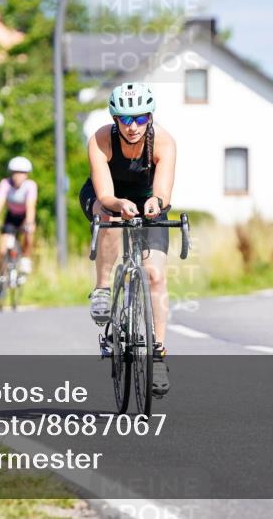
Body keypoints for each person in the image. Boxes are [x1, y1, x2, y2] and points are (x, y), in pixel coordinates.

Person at [79, 82, 176, 397]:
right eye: (125, 119)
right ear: (115, 119)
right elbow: (105, 194)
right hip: (106, 197)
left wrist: (155, 204)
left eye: (140, 118)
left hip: (148, 201)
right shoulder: (101, 140)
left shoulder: (164, 142)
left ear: (150, 117)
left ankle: (158, 354)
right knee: (110, 216)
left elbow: (162, 192)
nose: (133, 126)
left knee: (155, 275)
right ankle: (103, 289)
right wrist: (118, 204)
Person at [0, 157, 37, 293]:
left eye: (21, 173)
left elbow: (30, 206)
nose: (18, 176)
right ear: (11, 173)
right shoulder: (5, 184)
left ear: (26, 174)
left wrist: (30, 222)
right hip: (10, 217)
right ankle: (1, 281)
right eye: (15, 172)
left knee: (29, 234)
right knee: (2, 250)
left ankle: (25, 259)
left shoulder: (30, 186)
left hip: (24, 217)